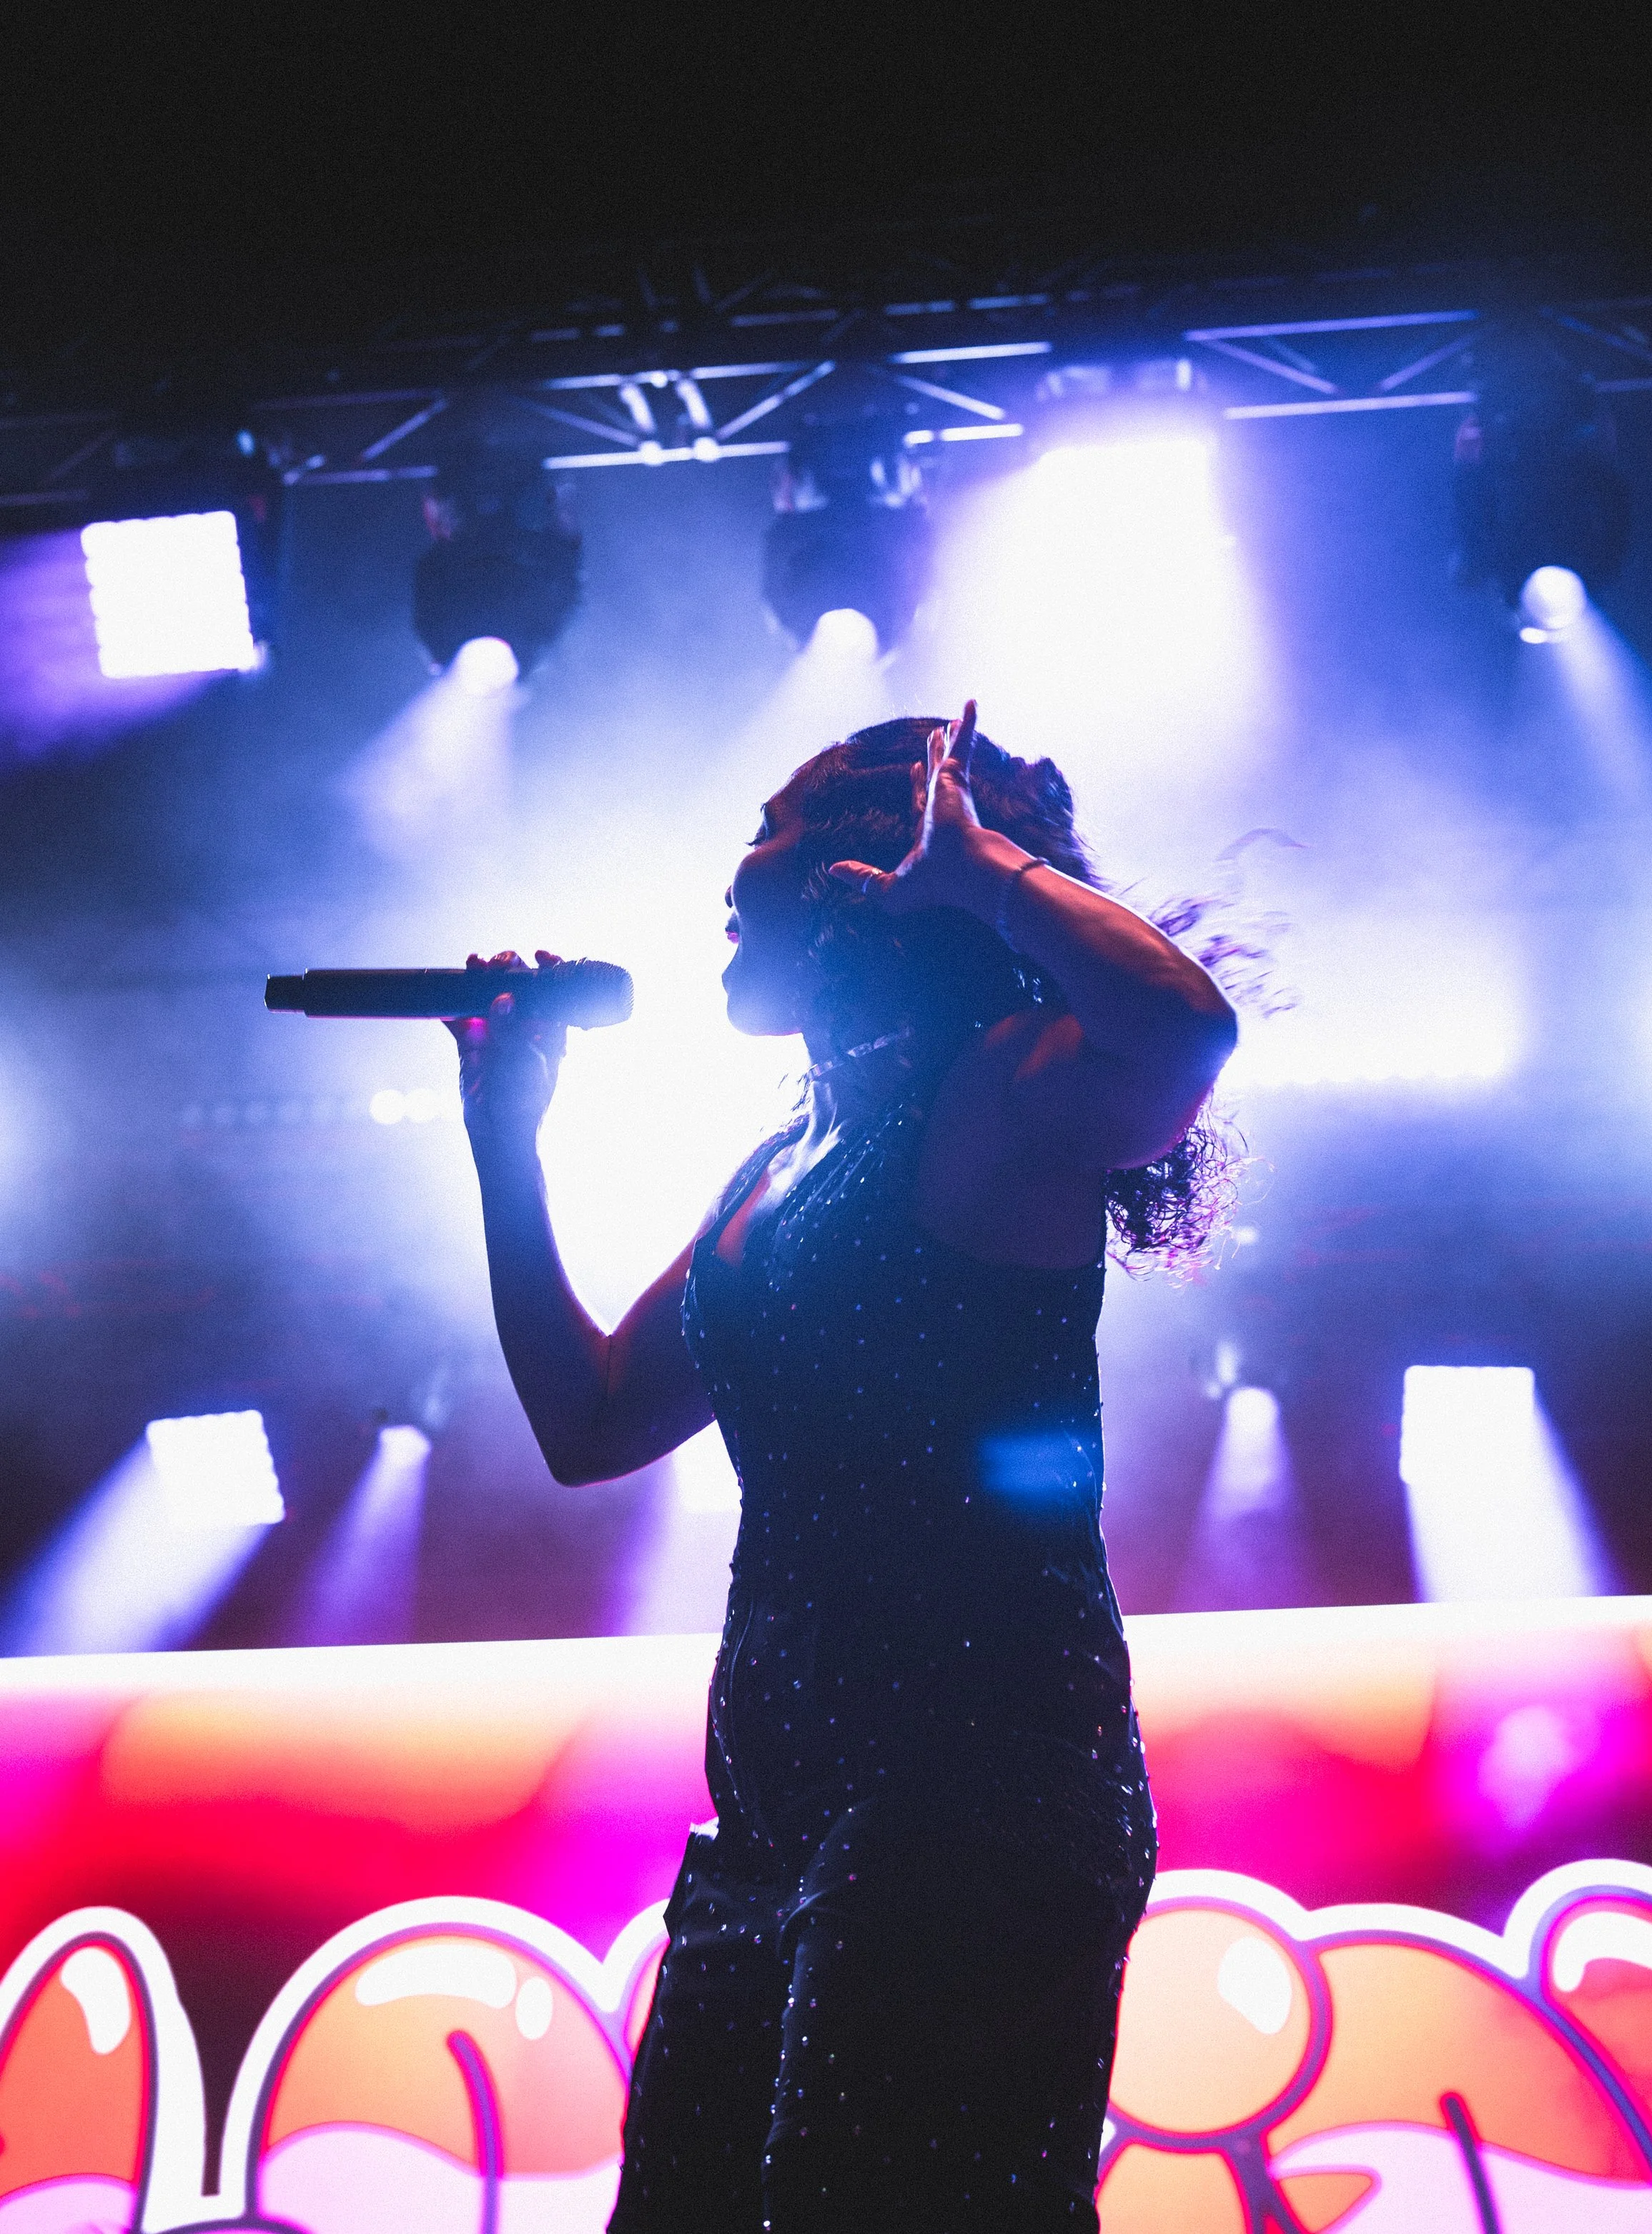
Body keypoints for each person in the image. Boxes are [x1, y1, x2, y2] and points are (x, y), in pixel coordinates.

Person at [453, 702, 1237, 2233]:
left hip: (977, 1785)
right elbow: (591, 1417)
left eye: (779, 824)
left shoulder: (1000, 1093)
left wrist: (990, 869)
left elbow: (1181, 1033)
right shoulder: (781, 1151)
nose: (735, 870)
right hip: (773, 1808)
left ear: (874, 877)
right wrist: (504, 1141)